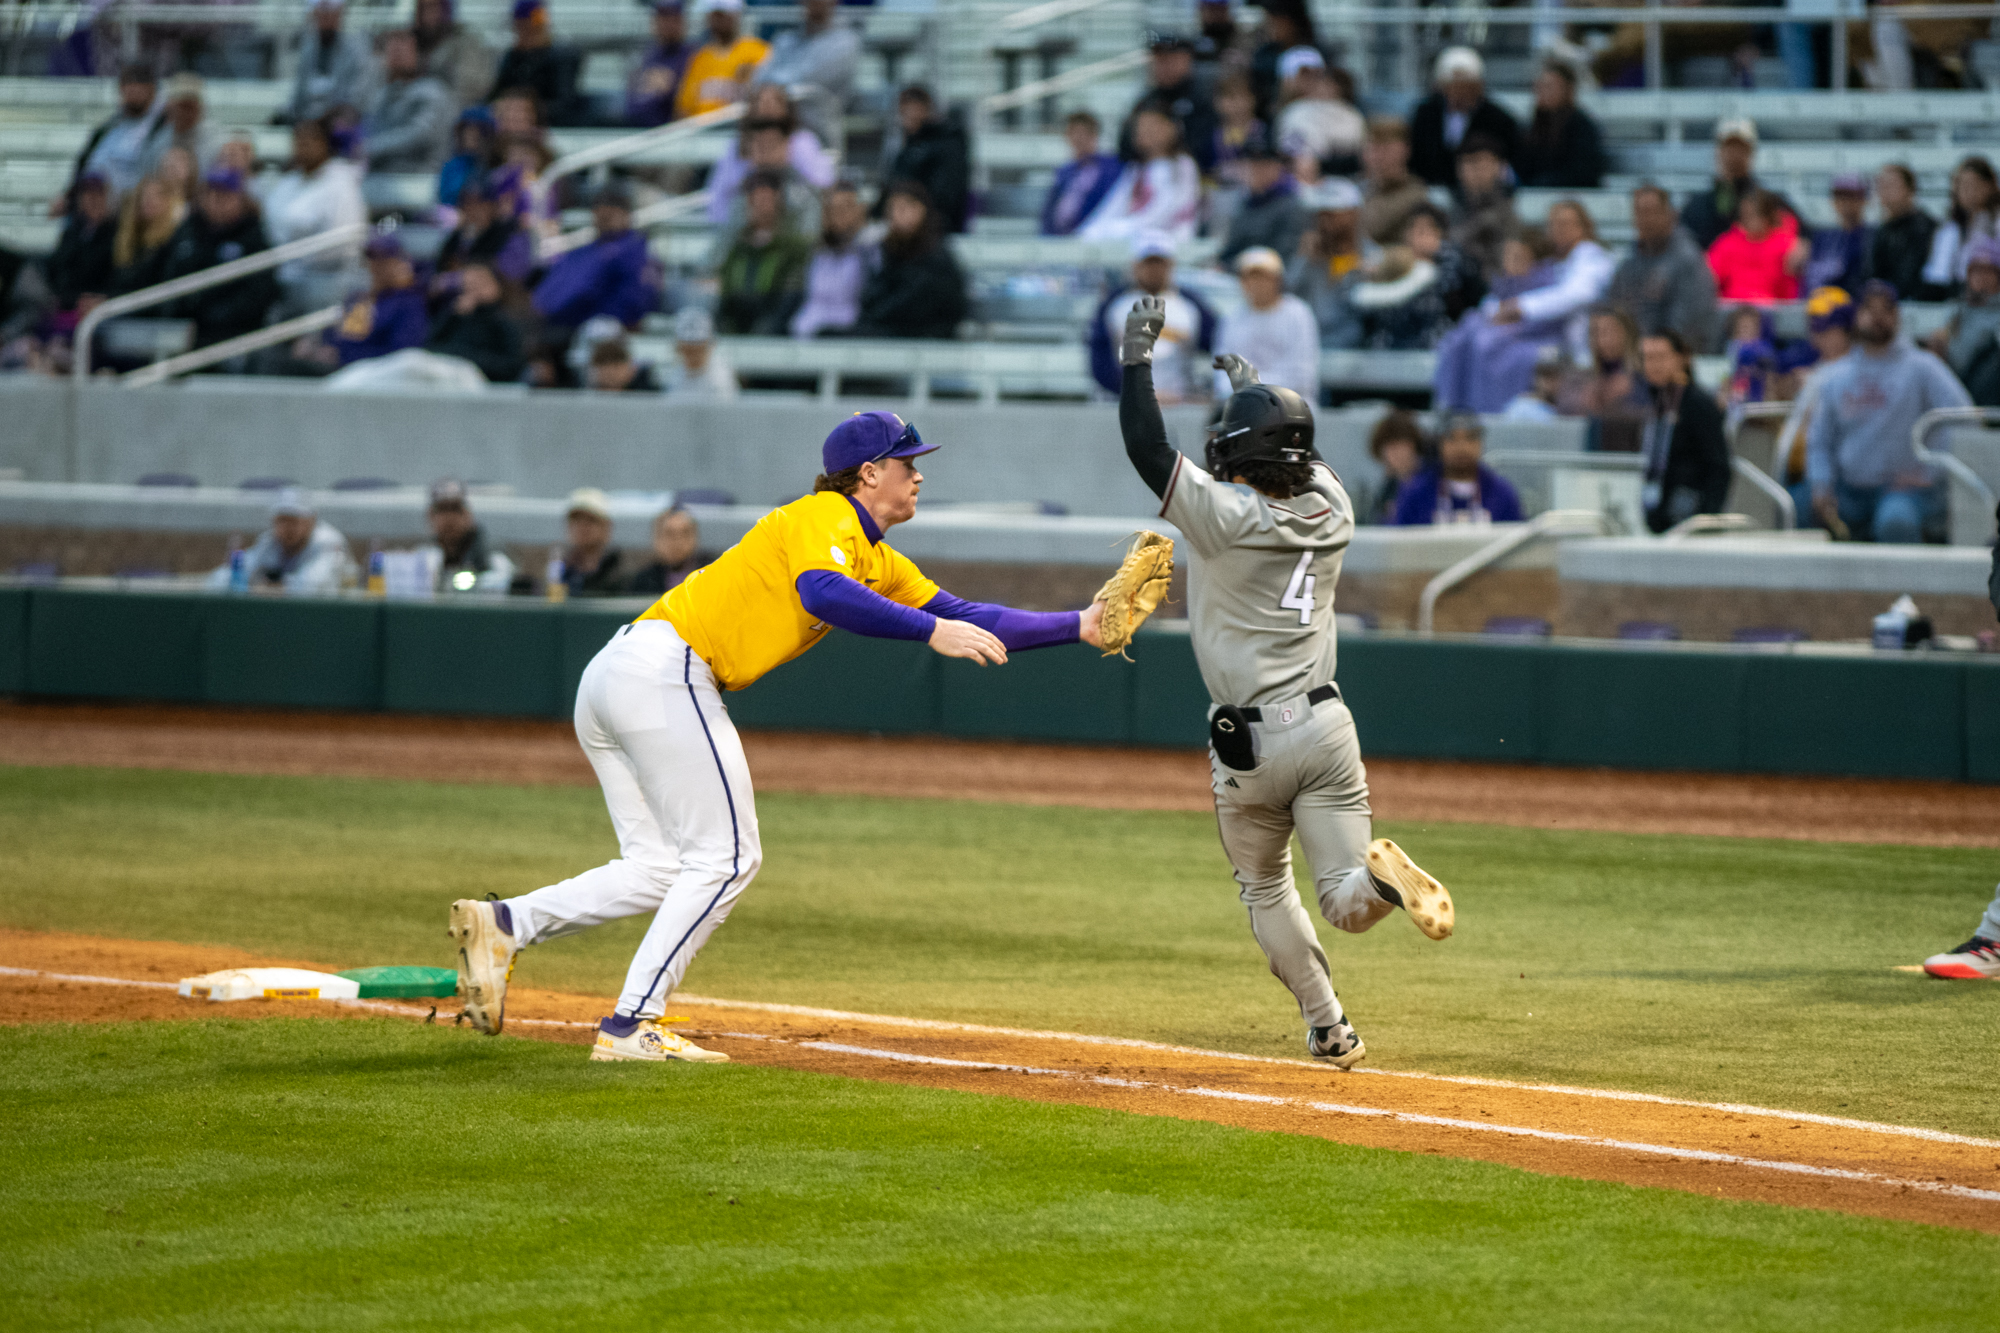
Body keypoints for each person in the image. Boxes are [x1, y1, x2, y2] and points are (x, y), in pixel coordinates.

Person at [448, 412, 1108, 1057]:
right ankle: (631, 1024)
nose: (919, 476)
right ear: (869, 473)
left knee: (659, 868)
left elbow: (969, 615)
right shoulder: (825, 515)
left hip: (621, 674)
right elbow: (822, 592)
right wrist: (928, 631)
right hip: (664, 669)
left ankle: (508, 923)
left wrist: (1080, 624)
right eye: (909, 464)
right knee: (728, 857)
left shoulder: (878, 558)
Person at [1114, 297, 1456, 1068]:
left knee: (1266, 889)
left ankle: (1330, 1023)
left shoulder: (1224, 516)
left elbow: (1147, 445)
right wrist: (1260, 392)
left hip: (1251, 744)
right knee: (1341, 893)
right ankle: (1377, 887)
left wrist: (1137, 361)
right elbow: (1298, 451)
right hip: (1329, 726)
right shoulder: (1334, 509)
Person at [1806, 281, 1971, 543]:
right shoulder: (1837, 375)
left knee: (1895, 522)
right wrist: (1821, 484)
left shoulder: (1923, 367)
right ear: (1857, 316)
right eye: (1869, 310)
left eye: (1886, 310)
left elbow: (1963, 419)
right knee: (1800, 506)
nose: (1877, 318)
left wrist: (1930, 472)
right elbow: (1819, 439)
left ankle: (1908, 585)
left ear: (1897, 316)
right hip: (1847, 488)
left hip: (1903, 492)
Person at [1434, 200, 1614, 413]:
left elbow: (1576, 294)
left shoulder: (1590, 255)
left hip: (1573, 347)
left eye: (1567, 223)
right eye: (1555, 224)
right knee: (1468, 337)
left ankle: (1490, 411)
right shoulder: (1553, 262)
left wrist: (1518, 307)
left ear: (1585, 226)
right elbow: (1497, 301)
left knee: (1492, 345)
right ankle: (1460, 407)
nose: (1560, 230)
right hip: (1538, 336)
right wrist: (1501, 311)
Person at [155, 167, 278, 351]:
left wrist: (212, 316)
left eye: (224, 194)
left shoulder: (253, 236)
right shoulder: (189, 230)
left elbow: (256, 293)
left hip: (230, 334)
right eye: (211, 193)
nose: (216, 200)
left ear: (239, 198)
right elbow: (167, 274)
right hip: (182, 327)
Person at [1088, 232, 1217, 399]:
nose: (1154, 270)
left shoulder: (1190, 305)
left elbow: (1217, 344)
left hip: (1178, 400)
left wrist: (1200, 392)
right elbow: (1100, 358)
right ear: (1135, 265)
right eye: (1148, 263)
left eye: (1160, 264)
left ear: (1171, 265)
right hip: (1125, 400)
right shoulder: (1114, 304)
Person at [260, 116, 367, 315]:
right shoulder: (287, 182)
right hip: (282, 274)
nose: (304, 146)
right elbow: (270, 227)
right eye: (299, 141)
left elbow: (342, 240)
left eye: (311, 140)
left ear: (325, 144)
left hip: (327, 277)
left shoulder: (342, 182)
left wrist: (296, 258)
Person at [531, 179, 661, 334]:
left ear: (626, 215)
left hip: (601, 330)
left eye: (609, 216)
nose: (603, 222)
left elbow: (634, 302)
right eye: (600, 216)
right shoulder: (584, 251)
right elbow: (555, 285)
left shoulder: (635, 252)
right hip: (559, 323)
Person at [1636, 330, 1733, 533]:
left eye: (1660, 357)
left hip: (1691, 516)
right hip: (1658, 510)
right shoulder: (1656, 402)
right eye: (1647, 358)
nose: (1653, 365)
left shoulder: (1697, 403)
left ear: (1682, 358)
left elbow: (1718, 466)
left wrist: (1708, 519)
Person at [850, 180, 967, 339]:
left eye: (905, 208)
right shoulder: (884, 253)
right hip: (885, 339)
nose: (898, 215)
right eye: (893, 209)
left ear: (923, 211)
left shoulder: (938, 260)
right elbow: (870, 299)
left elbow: (913, 307)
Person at [1605, 184, 1718, 348]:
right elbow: (1616, 310)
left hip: (1674, 357)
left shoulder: (1687, 259)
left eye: (1651, 212)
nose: (1645, 220)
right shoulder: (1630, 261)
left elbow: (1688, 326)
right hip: (1635, 355)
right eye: (1639, 212)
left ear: (1671, 215)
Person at [1079, 100, 1203, 243]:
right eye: (1140, 126)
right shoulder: (1135, 170)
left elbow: (1162, 213)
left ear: (1172, 128)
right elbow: (1111, 207)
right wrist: (1087, 232)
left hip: (1169, 242)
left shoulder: (1183, 165)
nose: (1145, 131)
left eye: (1152, 126)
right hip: (1131, 239)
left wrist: (1120, 228)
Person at [1212, 247, 1318, 401]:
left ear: (1278, 280)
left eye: (1262, 277)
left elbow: (1301, 377)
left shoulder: (1298, 314)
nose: (1255, 283)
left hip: (1291, 408)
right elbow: (1222, 373)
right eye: (1249, 277)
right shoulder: (1231, 318)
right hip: (1243, 407)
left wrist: (1250, 387)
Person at [714, 171, 812, 336]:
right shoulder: (737, 248)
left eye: (766, 200)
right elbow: (725, 290)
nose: (760, 206)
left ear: (778, 201)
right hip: (737, 322)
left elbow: (791, 296)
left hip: (773, 324)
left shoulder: (794, 247)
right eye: (755, 200)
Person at [205, 489, 356, 593]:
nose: (286, 528)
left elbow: (314, 584)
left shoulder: (329, 541)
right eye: (281, 520)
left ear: (311, 521)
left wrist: (271, 588)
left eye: (294, 521)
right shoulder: (270, 541)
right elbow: (226, 577)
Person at [1408, 47, 1519, 188]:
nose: (1459, 93)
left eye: (1465, 86)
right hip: (1431, 188)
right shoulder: (1426, 115)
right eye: (1453, 86)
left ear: (1479, 87)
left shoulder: (1499, 120)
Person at [752, 0, 859, 144]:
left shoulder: (846, 42)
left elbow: (807, 79)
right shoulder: (785, 39)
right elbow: (757, 79)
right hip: (773, 134)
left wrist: (772, 85)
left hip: (818, 137)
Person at [315, 233, 428, 367]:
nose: (375, 265)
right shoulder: (360, 298)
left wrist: (343, 355)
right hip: (338, 367)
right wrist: (319, 347)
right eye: (371, 258)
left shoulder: (408, 303)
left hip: (370, 375)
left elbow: (401, 355)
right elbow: (339, 335)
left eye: (383, 260)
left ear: (399, 263)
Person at [1390, 412, 1524, 525]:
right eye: (1451, 438)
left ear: (1480, 443)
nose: (1461, 447)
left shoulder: (1502, 493)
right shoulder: (1415, 493)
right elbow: (1397, 543)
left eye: (1470, 438)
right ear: (1439, 443)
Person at [67, 65, 165, 209]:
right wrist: (68, 196)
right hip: (94, 204)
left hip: (130, 206)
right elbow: (84, 162)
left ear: (151, 90)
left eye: (138, 85)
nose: (132, 91)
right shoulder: (109, 127)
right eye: (127, 85)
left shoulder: (160, 126)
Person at [1286, 177, 1366, 351]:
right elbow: (1287, 295)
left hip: (1350, 351)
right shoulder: (1310, 255)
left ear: (1351, 214)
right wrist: (1303, 259)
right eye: (1320, 214)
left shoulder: (1368, 257)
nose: (1324, 222)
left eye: (1332, 214)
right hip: (1306, 344)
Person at [1122, 32, 1220, 174]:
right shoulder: (1146, 102)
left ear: (1187, 59)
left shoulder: (1205, 96)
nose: (1162, 65)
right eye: (1158, 59)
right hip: (1151, 177)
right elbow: (1126, 147)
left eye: (1169, 59)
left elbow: (1207, 145)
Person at [1558, 306, 1651, 453]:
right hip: (1588, 455)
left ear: (1628, 334)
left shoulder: (1644, 377)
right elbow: (1564, 415)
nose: (1603, 340)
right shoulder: (1583, 377)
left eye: (1611, 332)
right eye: (1596, 333)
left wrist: (1617, 404)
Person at [361, 30, 454, 176]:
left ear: (418, 54)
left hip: (422, 178)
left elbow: (419, 135)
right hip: (382, 177)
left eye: (402, 50)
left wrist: (369, 147)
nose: (397, 55)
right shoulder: (382, 94)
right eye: (392, 49)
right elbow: (370, 128)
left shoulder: (432, 91)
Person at [791, 181, 874, 338]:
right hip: (804, 336)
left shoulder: (870, 253)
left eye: (846, 208)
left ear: (860, 211)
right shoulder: (814, 254)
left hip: (848, 339)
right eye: (832, 209)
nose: (838, 215)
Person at [1681, 119, 1778, 252]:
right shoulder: (1696, 206)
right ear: (1719, 152)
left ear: (1751, 153)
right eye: (1730, 147)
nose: (1735, 155)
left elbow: (1801, 234)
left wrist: (1801, 245)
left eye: (1741, 148)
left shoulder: (1771, 203)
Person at [883, 85, 970, 234]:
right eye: (903, 112)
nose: (906, 117)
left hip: (934, 231)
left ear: (927, 109)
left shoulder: (946, 144)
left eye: (911, 110)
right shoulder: (910, 145)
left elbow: (945, 196)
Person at [1926, 238, 2000, 405]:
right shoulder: (1956, 310)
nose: (1981, 277)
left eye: (1988, 271)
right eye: (1976, 270)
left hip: (1987, 397)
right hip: (1953, 391)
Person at [492, 0, 587, 126]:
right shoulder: (514, 56)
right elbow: (496, 93)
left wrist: (525, 110)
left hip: (550, 126)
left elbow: (565, 103)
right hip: (514, 125)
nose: (524, 33)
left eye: (530, 28)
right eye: (520, 27)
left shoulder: (562, 55)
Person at [426, 262, 525, 382]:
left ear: (496, 285)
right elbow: (430, 348)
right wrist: (453, 317)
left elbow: (511, 366)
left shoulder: (507, 319)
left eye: (480, 284)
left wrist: (466, 358)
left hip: (486, 384)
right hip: (446, 377)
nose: (474, 291)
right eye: (469, 285)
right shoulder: (455, 316)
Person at [1272, 47, 1362, 178]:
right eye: (1303, 74)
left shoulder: (1349, 113)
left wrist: (1321, 165)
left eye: (1316, 75)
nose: (1310, 81)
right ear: (1286, 80)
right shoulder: (1282, 114)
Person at [1515, 60, 1604, 189]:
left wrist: (1542, 183)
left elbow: (1582, 173)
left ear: (1568, 89)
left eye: (1550, 86)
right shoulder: (1533, 128)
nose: (1542, 91)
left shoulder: (1582, 127)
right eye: (1540, 86)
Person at [287, 0, 378, 125]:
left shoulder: (354, 51)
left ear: (339, 14)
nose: (326, 19)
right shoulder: (308, 50)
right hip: (306, 121)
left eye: (330, 13)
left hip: (338, 122)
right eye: (322, 13)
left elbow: (356, 98)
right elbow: (299, 95)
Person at [435, 173, 533, 288]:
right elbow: (441, 268)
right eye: (467, 204)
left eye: (478, 203)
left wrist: (462, 274)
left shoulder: (511, 233)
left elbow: (510, 276)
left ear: (491, 205)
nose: (472, 210)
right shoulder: (459, 236)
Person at [419, 478, 517, 593]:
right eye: (442, 509)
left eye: (455, 509)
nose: (450, 518)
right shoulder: (423, 557)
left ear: (468, 515)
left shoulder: (495, 559)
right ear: (430, 516)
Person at [1217, 135, 1303, 265]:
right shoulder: (1246, 202)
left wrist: (1233, 267)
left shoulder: (1291, 205)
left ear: (1277, 168)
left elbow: (1281, 257)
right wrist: (1221, 264)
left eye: (1262, 166)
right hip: (1238, 272)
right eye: (1251, 165)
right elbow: (1231, 248)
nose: (1254, 171)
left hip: (1266, 276)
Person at [676, 0, 768, 121]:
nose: (718, 20)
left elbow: (769, 100)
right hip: (700, 132)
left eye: (723, 15)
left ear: (736, 15)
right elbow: (684, 107)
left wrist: (750, 79)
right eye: (715, 15)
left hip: (739, 129)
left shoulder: (757, 51)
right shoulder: (700, 58)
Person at [1922, 156, 2000, 297]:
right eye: (1961, 185)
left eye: (1973, 184)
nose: (1967, 191)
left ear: (1989, 186)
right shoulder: (1949, 229)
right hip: (1954, 295)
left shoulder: (1996, 224)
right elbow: (1937, 274)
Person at [1707, 189, 1802, 305]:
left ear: (1768, 216)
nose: (1749, 221)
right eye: (1745, 215)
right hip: (1733, 309)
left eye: (1754, 215)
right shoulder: (1727, 243)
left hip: (1771, 311)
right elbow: (1709, 277)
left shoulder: (1786, 246)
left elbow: (1789, 290)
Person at [1040, 111, 1122, 238]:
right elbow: (1049, 214)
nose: (1078, 138)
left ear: (1094, 135)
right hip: (1060, 238)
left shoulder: (1111, 168)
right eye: (1074, 133)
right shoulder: (1064, 172)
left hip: (1092, 236)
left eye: (1083, 133)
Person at [45, 173, 117, 315]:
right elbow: (57, 268)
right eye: (87, 194)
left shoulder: (116, 233)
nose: (92, 199)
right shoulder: (73, 232)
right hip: (65, 306)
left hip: (93, 310)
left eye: (97, 194)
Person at [1447, 135, 1517, 279]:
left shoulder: (1508, 206)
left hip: (1498, 283)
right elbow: (1450, 243)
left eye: (1482, 163)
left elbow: (1512, 251)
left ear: (1499, 167)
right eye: (1469, 163)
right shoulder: (1451, 206)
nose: (1476, 171)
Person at [106, 173, 186, 296]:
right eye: (145, 195)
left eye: (157, 195)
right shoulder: (126, 240)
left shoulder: (171, 242)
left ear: (168, 201)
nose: (149, 200)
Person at [1870, 164, 1937, 302]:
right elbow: (1873, 273)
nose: (1885, 191)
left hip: (1915, 303)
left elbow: (1911, 276)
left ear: (1910, 189)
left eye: (1891, 185)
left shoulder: (1924, 227)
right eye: (1881, 185)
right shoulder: (1883, 229)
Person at [415, 0, 497, 110]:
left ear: (446, 9)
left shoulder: (466, 41)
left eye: (433, 7)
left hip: (459, 110)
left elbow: (474, 87)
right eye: (423, 9)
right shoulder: (412, 42)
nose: (427, 15)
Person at [1802, 174, 1874, 297]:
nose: (1845, 202)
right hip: (1820, 303)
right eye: (1840, 196)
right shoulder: (1823, 237)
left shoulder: (1871, 238)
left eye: (1851, 196)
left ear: (1863, 199)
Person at [1358, 116, 1426, 247]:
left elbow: (1372, 227)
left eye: (1386, 148)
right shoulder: (1359, 188)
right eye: (1373, 148)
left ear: (1405, 150)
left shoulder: (1415, 194)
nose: (1378, 156)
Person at [627, 0, 695, 128]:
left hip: (675, 136)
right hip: (640, 133)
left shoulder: (693, 56)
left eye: (673, 17)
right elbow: (632, 106)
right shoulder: (647, 56)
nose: (667, 24)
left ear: (682, 20)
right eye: (662, 17)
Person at [549, 488, 629, 595]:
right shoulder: (560, 570)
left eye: (591, 520)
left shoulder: (620, 575)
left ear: (607, 527)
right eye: (576, 519)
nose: (582, 526)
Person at [142, 73, 219, 180]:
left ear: (200, 108)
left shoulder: (216, 142)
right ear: (169, 106)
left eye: (190, 106)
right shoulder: (159, 141)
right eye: (181, 105)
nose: (185, 113)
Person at [624, 506, 711, 595]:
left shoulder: (711, 577)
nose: (678, 542)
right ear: (656, 538)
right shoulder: (642, 582)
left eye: (685, 533)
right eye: (670, 534)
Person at [661, 306, 738, 399]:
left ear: (711, 346)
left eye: (697, 350)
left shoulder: (720, 380)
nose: (693, 356)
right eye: (687, 350)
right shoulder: (674, 374)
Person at [1365, 409, 1427, 524]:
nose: (1396, 453)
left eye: (1401, 445)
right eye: (1390, 448)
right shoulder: (1386, 489)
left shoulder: (1430, 483)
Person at [437, 108, 497, 219]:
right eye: (467, 131)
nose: (472, 137)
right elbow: (446, 199)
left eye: (478, 133)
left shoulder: (493, 166)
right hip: (453, 218)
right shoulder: (452, 166)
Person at [588, 336, 660, 392]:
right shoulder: (583, 396)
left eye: (616, 366)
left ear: (632, 369)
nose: (610, 372)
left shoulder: (650, 396)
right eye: (604, 365)